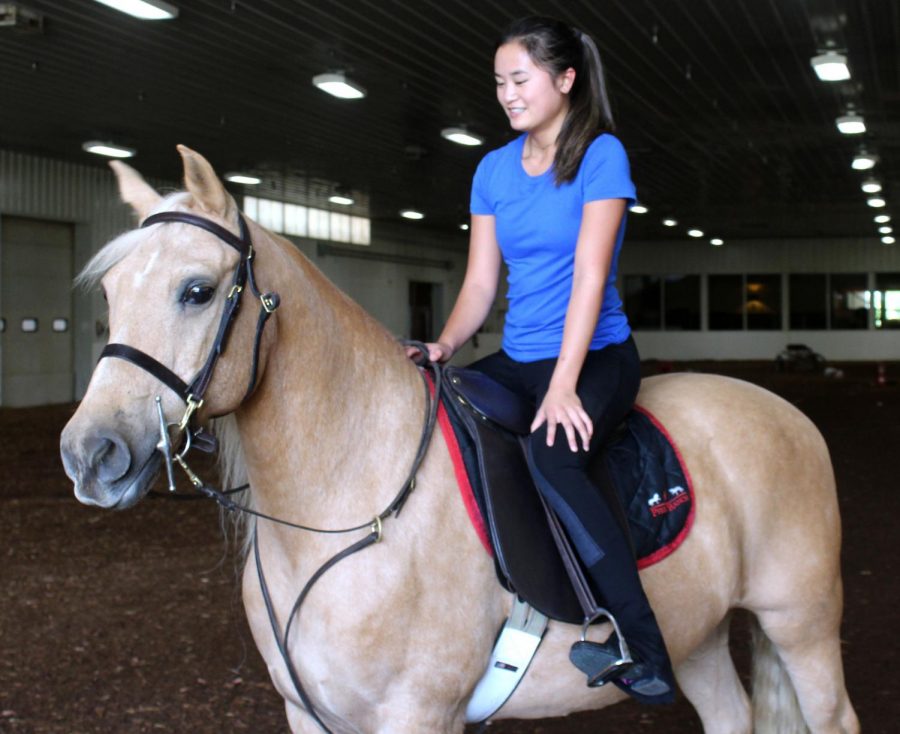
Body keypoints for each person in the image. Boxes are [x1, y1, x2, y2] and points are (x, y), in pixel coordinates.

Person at [413, 16, 675, 703]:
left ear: (565, 79)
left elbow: (590, 276)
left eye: (520, 79)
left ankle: (641, 647)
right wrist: (443, 345)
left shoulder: (600, 156)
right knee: (435, 406)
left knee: (552, 456)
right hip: (521, 355)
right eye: (499, 82)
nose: (507, 94)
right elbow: (479, 284)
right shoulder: (493, 169)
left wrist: (563, 387)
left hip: (597, 356)